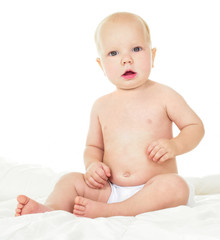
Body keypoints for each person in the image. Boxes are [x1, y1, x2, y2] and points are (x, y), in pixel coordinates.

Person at [15, 12, 204, 218]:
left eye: (137, 49)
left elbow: (194, 127)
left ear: (153, 55)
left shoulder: (165, 95)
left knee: (176, 186)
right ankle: (50, 209)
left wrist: (175, 145)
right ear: (101, 65)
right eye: (113, 53)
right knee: (69, 181)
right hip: (110, 190)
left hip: (154, 188)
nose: (126, 59)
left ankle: (114, 211)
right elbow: (93, 147)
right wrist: (93, 165)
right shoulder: (101, 105)